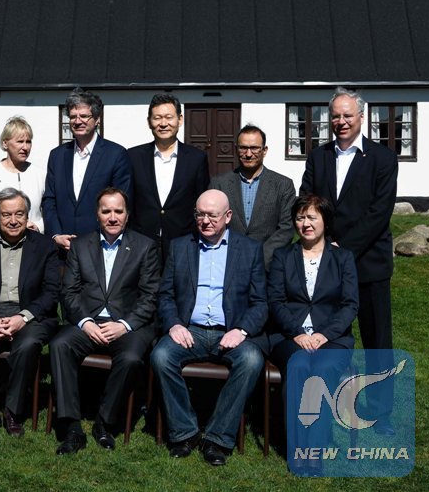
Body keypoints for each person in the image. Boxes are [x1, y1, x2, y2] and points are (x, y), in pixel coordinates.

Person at [299, 87, 398, 435]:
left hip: (369, 264)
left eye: (347, 115)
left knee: (377, 342)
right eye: (336, 116)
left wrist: (343, 249)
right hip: (326, 264)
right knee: (325, 335)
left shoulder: (383, 158)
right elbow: (307, 199)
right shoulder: (319, 156)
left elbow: (379, 213)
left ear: (361, 117)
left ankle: (381, 414)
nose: (341, 121)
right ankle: (322, 403)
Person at [150, 189, 267, 466]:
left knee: (251, 360)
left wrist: (241, 330)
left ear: (228, 216)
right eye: (200, 214)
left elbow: (260, 302)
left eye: (212, 215)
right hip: (190, 329)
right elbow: (165, 295)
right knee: (161, 356)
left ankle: (217, 437)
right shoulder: (180, 246)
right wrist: (174, 324)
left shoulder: (249, 249)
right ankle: (185, 432)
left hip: (230, 331)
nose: (205, 221)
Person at [50, 188, 160, 454]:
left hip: (127, 325)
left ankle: (104, 422)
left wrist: (123, 325)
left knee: (131, 358)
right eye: (106, 211)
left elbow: (150, 295)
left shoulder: (145, 246)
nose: (112, 217)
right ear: (97, 214)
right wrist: (86, 322)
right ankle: (72, 426)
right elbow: (69, 291)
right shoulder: (80, 245)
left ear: (127, 214)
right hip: (88, 321)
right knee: (59, 345)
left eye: (118, 211)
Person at [267, 194, 358, 475]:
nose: (305, 224)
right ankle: (298, 452)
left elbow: (350, 304)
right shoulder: (283, 256)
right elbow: (276, 301)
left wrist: (323, 335)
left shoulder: (343, 258)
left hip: (332, 339)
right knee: (298, 367)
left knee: (322, 369)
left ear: (325, 221)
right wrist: (297, 333)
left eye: (311, 217)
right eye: (300, 218)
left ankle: (314, 452)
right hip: (289, 337)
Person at [0, 188, 60, 439]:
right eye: (6, 215)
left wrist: (23, 317)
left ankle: (13, 411)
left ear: (28, 216)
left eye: (19, 214)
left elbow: (51, 291)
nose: (13, 220)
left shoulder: (45, 246)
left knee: (28, 344)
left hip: (31, 314)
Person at [42, 88, 131, 253]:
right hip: (62, 249)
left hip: (101, 248)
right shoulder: (57, 156)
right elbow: (49, 200)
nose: (77, 121)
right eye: (73, 117)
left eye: (83, 116)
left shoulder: (116, 154)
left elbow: (121, 203)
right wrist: (56, 235)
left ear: (97, 119)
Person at [128, 94, 209, 266]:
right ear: (149, 121)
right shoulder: (133, 157)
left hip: (184, 243)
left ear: (180, 119)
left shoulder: (196, 158)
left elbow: (201, 201)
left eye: (169, 117)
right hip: (141, 244)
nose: (163, 123)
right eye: (157, 118)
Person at [209, 124, 296, 269]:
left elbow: (286, 229)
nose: (248, 154)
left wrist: (259, 257)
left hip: (267, 265)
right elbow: (212, 224)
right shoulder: (219, 184)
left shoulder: (283, 185)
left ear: (264, 150)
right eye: (243, 148)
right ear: (236, 149)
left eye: (254, 148)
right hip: (227, 264)